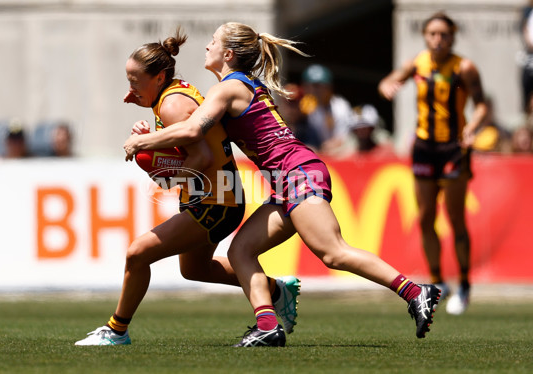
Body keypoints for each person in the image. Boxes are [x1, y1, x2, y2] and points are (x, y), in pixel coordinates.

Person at [123, 22, 441, 347]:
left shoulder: (227, 88)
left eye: (214, 41)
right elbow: (188, 130)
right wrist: (150, 115)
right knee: (241, 250)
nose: (208, 46)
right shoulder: (234, 85)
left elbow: (192, 132)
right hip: (287, 177)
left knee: (332, 253)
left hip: (296, 172)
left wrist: (143, 143)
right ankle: (267, 326)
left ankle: (416, 292)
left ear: (228, 54)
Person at [75, 29, 300, 346]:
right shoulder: (170, 96)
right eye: (128, 80)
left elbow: (201, 155)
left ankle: (116, 330)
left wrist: (164, 174)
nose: (130, 88)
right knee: (195, 269)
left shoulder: (172, 104)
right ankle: (277, 291)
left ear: (159, 76)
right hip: (217, 195)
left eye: (135, 80)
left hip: (215, 200)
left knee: (137, 254)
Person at [378, 12, 489, 315]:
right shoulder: (419, 62)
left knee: (455, 218)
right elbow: (390, 79)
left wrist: (473, 126)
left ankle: (464, 283)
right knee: (426, 218)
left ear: (452, 38)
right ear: (426, 36)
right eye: (432, 34)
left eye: (443, 35)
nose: (437, 40)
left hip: (454, 148)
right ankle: (438, 282)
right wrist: (388, 85)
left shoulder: (463, 67)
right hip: (425, 148)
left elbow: (482, 105)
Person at [299, 64, 354, 154]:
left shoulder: (340, 106)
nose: (313, 90)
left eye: (317, 86)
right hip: (318, 149)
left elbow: (342, 139)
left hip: (338, 150)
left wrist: (324, 148)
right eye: (308, 85)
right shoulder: (306, 105)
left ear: (329, 87)